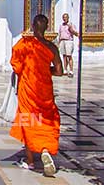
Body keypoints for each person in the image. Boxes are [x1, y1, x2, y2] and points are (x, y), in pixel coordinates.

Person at [10, 14, 64, 177]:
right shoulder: (52, 47)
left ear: (33, 26)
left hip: (28, 88)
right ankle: (45, 149)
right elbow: (60, 71)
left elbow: (16, 66)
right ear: (46, 27)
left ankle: (30, 160)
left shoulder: (25, 44)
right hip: (45, 90)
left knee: (28, 120)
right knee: (46, 119)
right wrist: (45, 70)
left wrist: (29, 70)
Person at [57, 13, 78, 77]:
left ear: (68, 18)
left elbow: (76, 33)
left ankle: (71, 71)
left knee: (69, 56)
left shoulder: (71, 24)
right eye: (63, 17)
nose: (64, 18)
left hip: (69, 41)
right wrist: (59, 42)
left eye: (65, 17)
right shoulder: (61, 25)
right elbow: (60, 34)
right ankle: (65, 70)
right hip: (62, 41)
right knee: (64, 56)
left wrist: (70, 28)